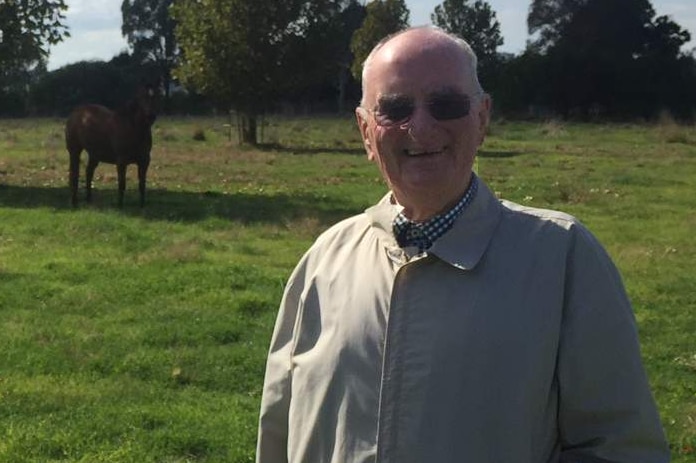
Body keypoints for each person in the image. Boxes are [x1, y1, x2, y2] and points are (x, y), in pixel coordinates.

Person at [255, 26, 669, 463]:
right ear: (365, 131)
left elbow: (620, 448)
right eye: (395, 108)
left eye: (445, 105)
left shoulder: (563, 257)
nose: (420, 127)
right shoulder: (325, 258)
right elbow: (279, 429)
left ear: (483, 118)